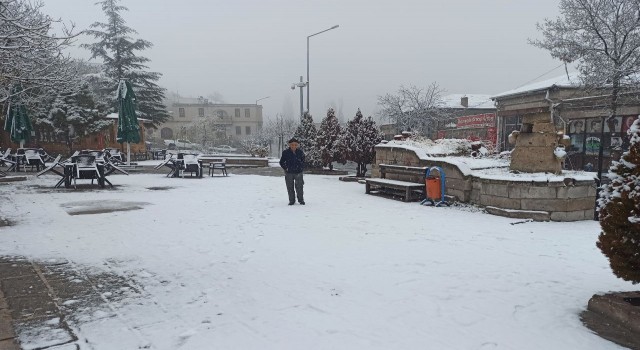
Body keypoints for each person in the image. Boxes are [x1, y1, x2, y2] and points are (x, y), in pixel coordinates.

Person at [279, 138, 305, 205]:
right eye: (292, 145)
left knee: (299, 187)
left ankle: (301, 200)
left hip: (298, 173)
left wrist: (301, 168)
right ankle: (292, 200)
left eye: (295, 145)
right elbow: (281, 162)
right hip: (289, 173)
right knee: (290, 187)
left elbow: (303, 162)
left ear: (297, 145)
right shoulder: (285, 153)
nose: (294, 146)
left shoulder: (300, 152)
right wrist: (286, 168)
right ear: (289, 145)